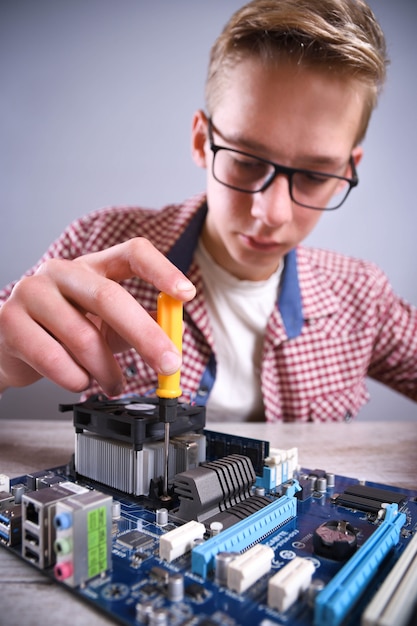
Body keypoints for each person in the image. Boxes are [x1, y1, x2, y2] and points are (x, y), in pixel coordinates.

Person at [0, 0, 416, 422]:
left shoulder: (364, 297)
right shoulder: (96, 245)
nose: (271, 213)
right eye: (246, 161)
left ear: (348, 169)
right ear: (202, 141)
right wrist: (2, 361)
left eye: (313, 175)